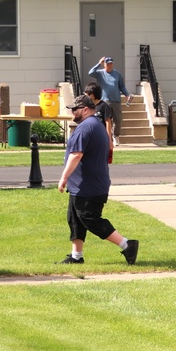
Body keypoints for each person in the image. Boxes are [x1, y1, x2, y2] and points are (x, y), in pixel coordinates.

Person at [57, 94, 139, 265]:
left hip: (89, 186)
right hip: (82, 185)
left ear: (85, 110)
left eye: (75, 109)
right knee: (75, 219)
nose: (72, 112)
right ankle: (76, 256)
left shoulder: (86, 127)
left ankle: (127, 244)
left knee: (89, 218)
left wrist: (64, 177)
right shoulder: (95, 124)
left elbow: (76, 154)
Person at [88, 56, 132, 146]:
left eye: (111, 63)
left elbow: (122, 86)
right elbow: (90, 73)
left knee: (118, 120)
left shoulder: (117, 74)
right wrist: (98, 64)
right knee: (105, 120)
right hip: (105, 101)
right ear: (104, 65)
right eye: (108, 64)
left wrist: (127, 95)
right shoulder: (100, 73)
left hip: (116, 100)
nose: (110, 65)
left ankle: (116, 136)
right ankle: (107, 138)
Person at [85, 81, 114, 162]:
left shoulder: (104, 106)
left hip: (101, 137)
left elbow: (108, 123)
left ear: (94, 94)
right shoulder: (87, 107)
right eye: (86, 94)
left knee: (101, 160)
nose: (87, 96)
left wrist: (109, 140)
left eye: (89, 94)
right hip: (90, 137)